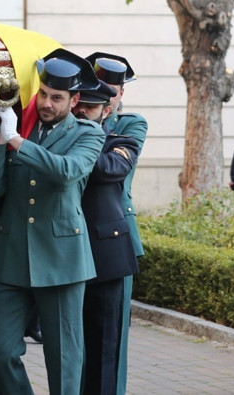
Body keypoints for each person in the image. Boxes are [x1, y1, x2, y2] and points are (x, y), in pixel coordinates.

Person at [0, 48, 104, 394]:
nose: (47, 103)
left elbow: (66, 173)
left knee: (64, 357)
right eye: (44, 94)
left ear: (74, 100)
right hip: (12, 254)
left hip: (62, 258)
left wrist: (17, 140)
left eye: (56, 98)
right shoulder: (23, 128)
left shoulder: (88, 134)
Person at [73, 80, 140, 394]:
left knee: (105, 347)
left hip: (106, 256)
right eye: (79, 104)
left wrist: (76, 151)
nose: (83, 111)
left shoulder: (120, 140)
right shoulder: (57, 139)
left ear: (106, 110)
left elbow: (112, 168)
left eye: (91, 106)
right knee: (73, 348)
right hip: (65, 252)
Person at [85, 51, 147, 395]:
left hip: (113, 234)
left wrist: (97, 116)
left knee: (110, 338)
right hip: (76, 234)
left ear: (122, 93)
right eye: (99, 90)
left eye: (112, 91)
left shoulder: (129, 124)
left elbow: (113, 168)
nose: (106, 97)